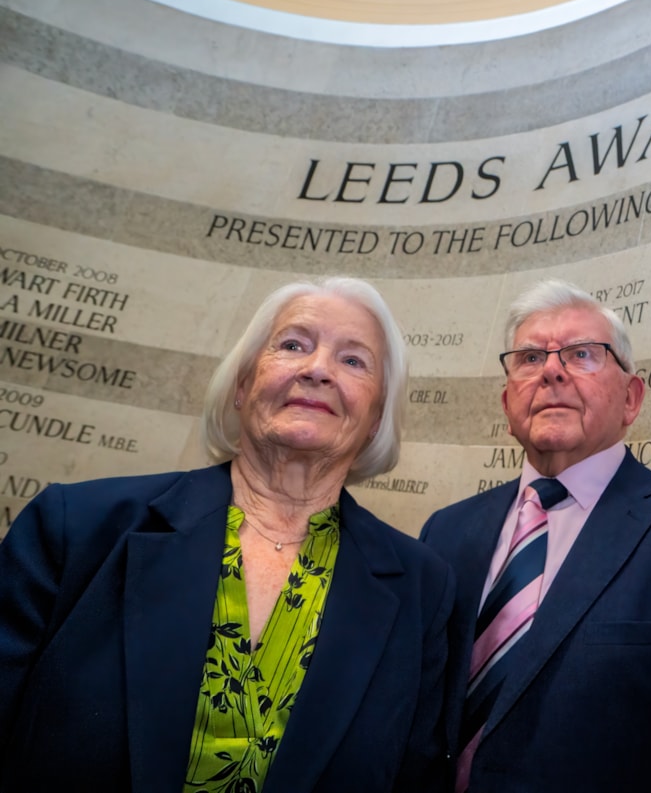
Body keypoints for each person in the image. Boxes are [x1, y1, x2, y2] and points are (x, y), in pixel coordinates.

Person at [0, 277, 454, 792]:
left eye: (353, 361)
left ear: (376, 417)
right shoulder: (75, 526)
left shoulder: (421, 587)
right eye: (293, 345)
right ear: (242, 386)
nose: (317, 369)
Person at [420, 279, 651, 792]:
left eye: (581, 354)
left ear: (630, 399)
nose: (551, 369)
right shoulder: (445, 532)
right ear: (508, 405)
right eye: (530, 358)